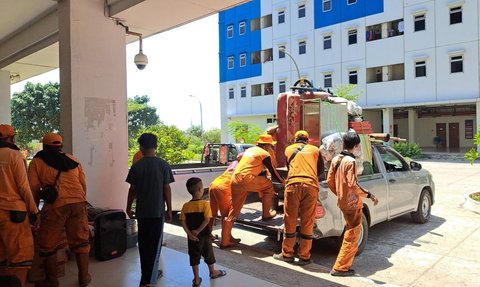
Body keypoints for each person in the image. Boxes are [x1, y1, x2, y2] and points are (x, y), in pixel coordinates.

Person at [28, 132, 90, 287]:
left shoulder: (37, 162)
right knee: (81, 241)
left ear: (44, 145)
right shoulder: (73, 160)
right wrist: (80, 202)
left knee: (48, 244)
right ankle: (84, 277)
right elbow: (83, 185)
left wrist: (33, 211)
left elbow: (33, 188)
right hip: (79, 203)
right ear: (61, 146)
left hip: (56, 206)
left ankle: (51, 280)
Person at [326, 131, 378, 276]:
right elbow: (353, 185)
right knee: (352, 235)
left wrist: (340, 194)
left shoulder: (337, 159)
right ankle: (340, 267)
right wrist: (369, 195)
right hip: (352, 203)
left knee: (350, 232)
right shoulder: (351, 162)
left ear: (343, 144)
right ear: (356, 146)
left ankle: (341, 266)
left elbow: (330, 181)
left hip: (343, 202)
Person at [126, 133, 174, 287]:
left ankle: (147, 275)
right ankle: (147, 280)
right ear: (156, 146)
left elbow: (132, 189)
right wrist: (169, 209)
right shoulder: (163, 165)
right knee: (155, 245)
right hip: (157, 212)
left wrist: (128, 207)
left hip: (142, 212)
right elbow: (166, 188)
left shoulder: (136, 165)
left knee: (144, 244)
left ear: (141, 147)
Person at [222, 134, 285, 248]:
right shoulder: (264, 154)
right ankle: (266, 214)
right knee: (268, 186)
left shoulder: (250, 150)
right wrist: (283, 181)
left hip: (235, 180)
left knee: (234, 211)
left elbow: (252, 167)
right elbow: (273, 171)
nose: (271, 148)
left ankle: (225, 241)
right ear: (266, 145)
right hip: (247, 179)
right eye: (271, 146)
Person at [273, 130, 324, 266]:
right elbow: (320, 170)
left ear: (295, 140)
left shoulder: (289, 149)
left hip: (293, 185)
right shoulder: (315, 150)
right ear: (308, 140)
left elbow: (290, 167)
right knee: (308, 221)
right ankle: (304, 257)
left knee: (290, 219)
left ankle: (287, 254)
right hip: (311, 186)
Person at [0, 124, 38, 287]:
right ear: (12, 138)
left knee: (1, 256)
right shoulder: (15, 155)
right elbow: (24, 186)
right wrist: (34, 211)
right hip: (14, 214)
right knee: (20, 258)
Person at [181, 177, 227, 287]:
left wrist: (190, 234)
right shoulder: (205, 204)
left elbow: (183, 222)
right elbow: (207, 220)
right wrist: (198, 231)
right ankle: (213, 272)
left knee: (194, 256)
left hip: (192, 238)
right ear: (200, 190)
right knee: (208, 254)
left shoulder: (185, 206)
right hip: (204, 236)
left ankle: (196, 279)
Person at [208, 153, 243, 248]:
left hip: (214, 184)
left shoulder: (234, 163)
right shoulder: (243, 165)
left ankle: (208, 235)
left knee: (211, 213)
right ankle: (225, 241)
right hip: (223, 188)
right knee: (227, 215)